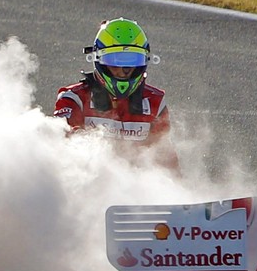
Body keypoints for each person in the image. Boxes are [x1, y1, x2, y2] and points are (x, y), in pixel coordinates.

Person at [53, 18, 178, 169]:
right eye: (114, 61)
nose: (123, 71)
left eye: (132, 62)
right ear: (98, 60)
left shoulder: (155, 103)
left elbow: (166, 162)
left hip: (138, 187)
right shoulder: (74, 99)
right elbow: (59, 152)